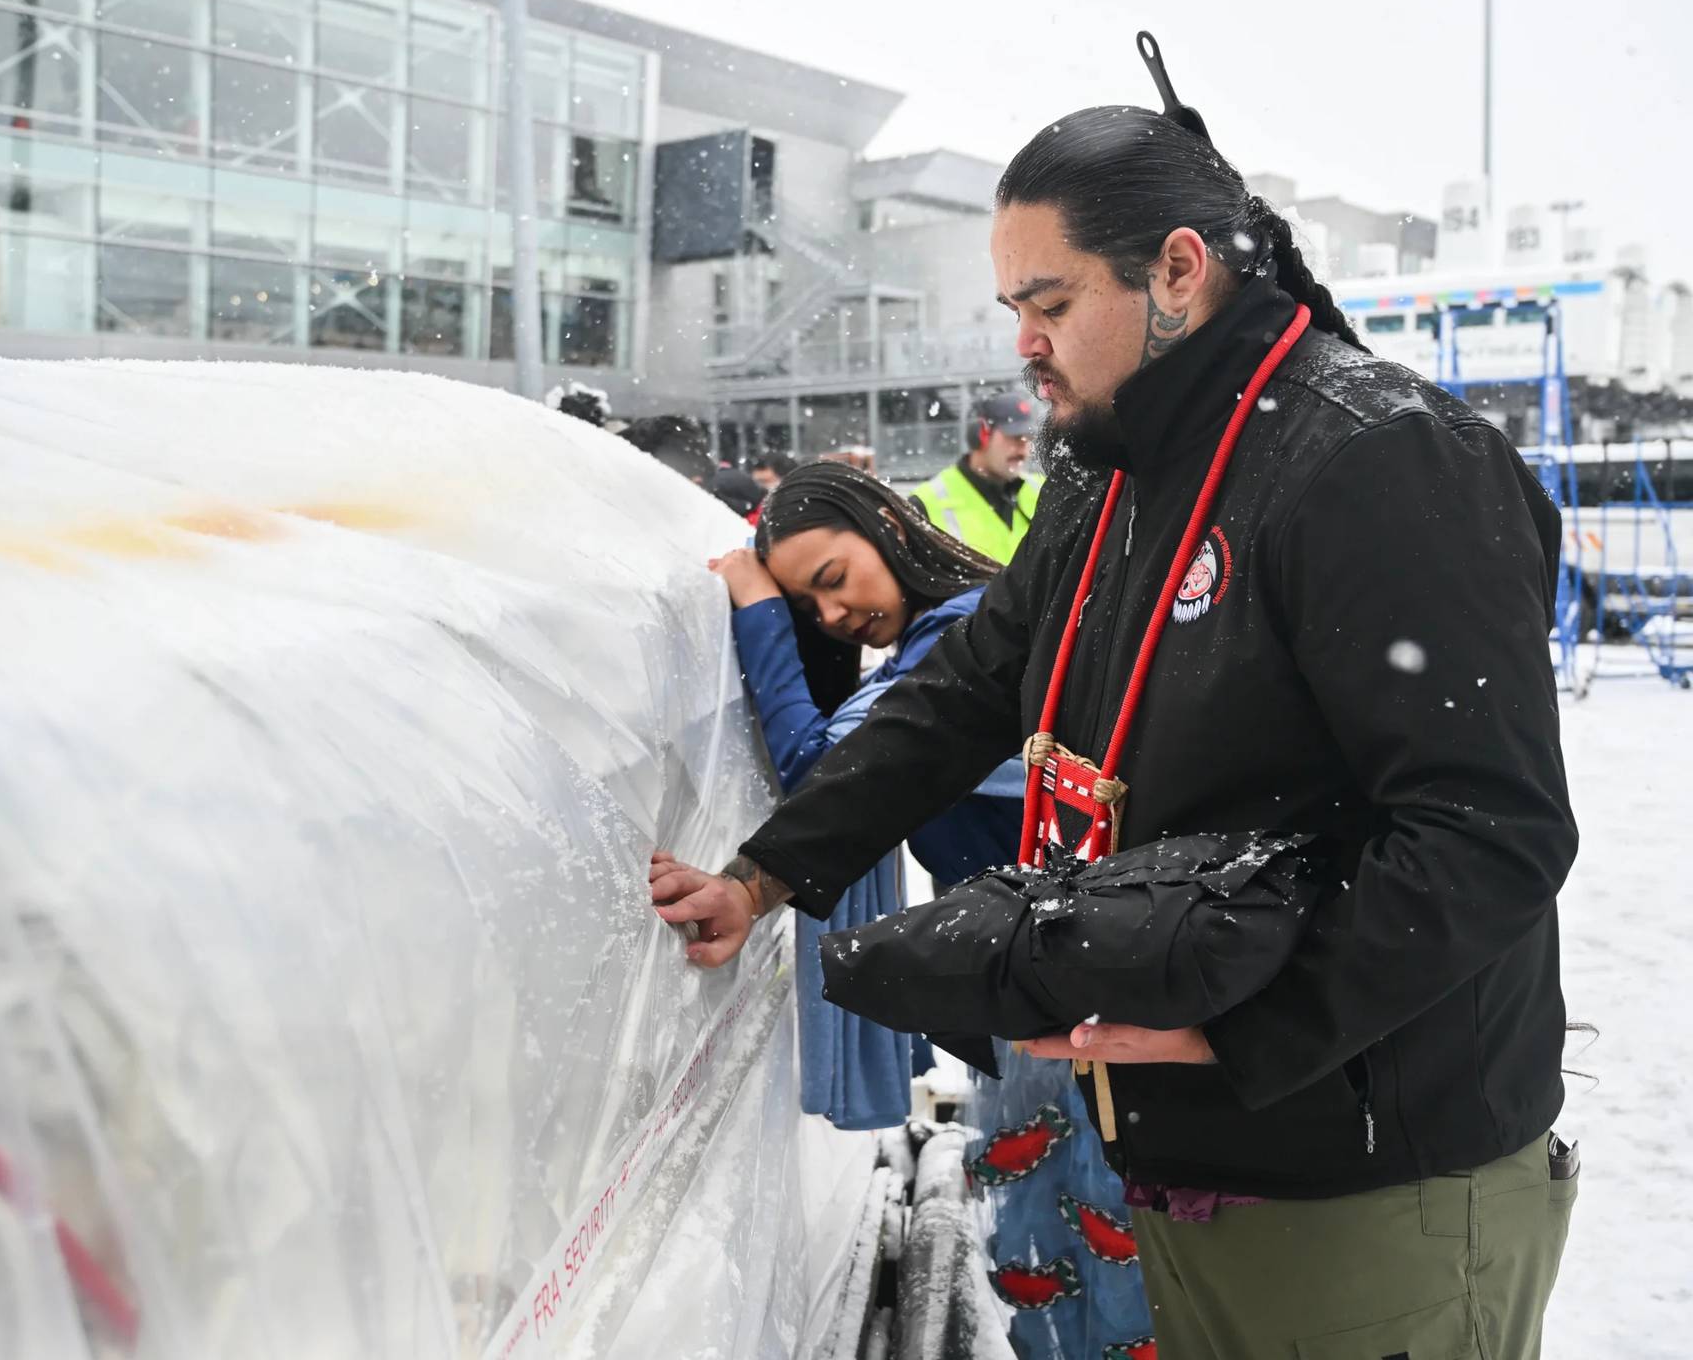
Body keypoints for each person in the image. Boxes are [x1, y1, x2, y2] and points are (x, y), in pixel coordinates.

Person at [649, 102, 1578, 1359]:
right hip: (1184, 1142)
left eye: (1051, 302)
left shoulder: (1380, 459)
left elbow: (1489, 834)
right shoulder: (1109, 460)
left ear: (1180, 272)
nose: (1026, 347)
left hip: (1366, 1172)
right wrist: (767, 872)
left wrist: (1238, 1029)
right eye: (1012, 313)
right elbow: (974, 677)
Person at [698, 464, 1151, 1356]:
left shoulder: (962, 639)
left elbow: (827, 777)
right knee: (1064, 1244)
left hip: (1077, 984)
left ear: (887, 527)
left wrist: (756, 607)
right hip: (1045, 975)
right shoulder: (943, 637)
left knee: (1084, 1244)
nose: (832, 616)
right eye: (808, 607)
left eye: (832, 579)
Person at [910, 394, 1043, 563]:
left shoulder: (1044, 491)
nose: (1023, 447)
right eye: (1014, 436)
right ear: (981, 434)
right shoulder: (925, 504)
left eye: (1028, 437)